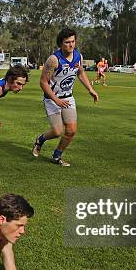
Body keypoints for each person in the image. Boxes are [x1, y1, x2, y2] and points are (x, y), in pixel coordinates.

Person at [31, 28, 99, 167]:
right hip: (52, 99)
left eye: (73, 41)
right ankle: (40, 140)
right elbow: (43, 82)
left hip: (68, 98)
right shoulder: (53, 60)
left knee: (71, 130)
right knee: (57, 131)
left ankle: (57, 156)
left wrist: (90, 89)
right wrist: (56, 100)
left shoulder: (78, 56)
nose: (71, 45)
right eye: (67, 42)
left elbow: (80, 73)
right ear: (60, 43)